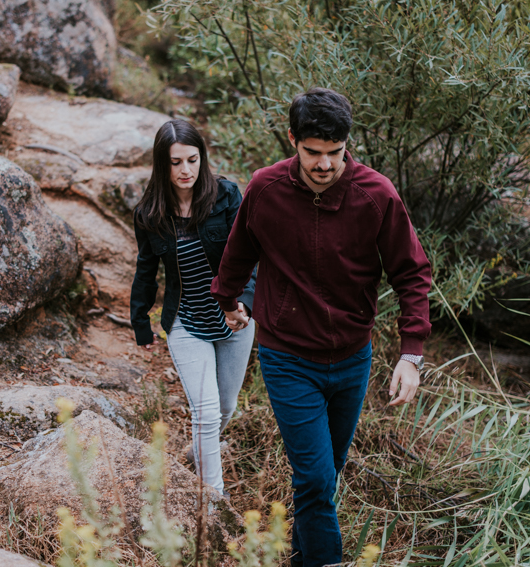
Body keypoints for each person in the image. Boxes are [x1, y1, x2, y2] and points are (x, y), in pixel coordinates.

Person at [210, 88, 432, 566]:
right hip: (288, 358)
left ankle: (300, 559)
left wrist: (411, 353)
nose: (325, 164)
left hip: (353, 359)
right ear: (294, 140)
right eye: (313, 152)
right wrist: (228, 299)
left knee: (326, 475)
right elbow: (239, 252)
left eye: (335, 153)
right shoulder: (266, 189)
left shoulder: (376, 195)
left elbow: (411, 271)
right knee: (312, 478)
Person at [130, 119, 257, 497]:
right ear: (161, 164)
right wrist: (140, 322)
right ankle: (213, 498)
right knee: (205, 411)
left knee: (225, 408)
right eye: (175, 162)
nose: (185, 170)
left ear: (202, 157)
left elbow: (250, 256)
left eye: (192, 159)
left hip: (234, 319)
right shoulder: (150, 214)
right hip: (185, 321)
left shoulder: (227, 196)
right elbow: (146, 269)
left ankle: (197, 451)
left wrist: (245, 306)